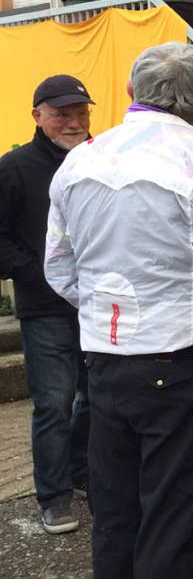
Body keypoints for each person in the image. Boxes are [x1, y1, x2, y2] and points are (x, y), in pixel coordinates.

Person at [44, 42, 193, 578]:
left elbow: (59, 270)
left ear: (132, 92)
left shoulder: (78, 163)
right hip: (185, 367)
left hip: (106, 363)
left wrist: (113, 315)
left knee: (116, 511)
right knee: (180, 518)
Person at [0, 75, 93, 534]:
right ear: (37, 116)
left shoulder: (105, 159)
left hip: (98, 305)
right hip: (46, 309)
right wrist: (42, 273)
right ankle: (54, 497)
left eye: (80, 112)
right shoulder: (14, 167)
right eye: (62, 114)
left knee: (97, 398)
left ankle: (81, 471)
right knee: (53, 404)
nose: (73, 122)